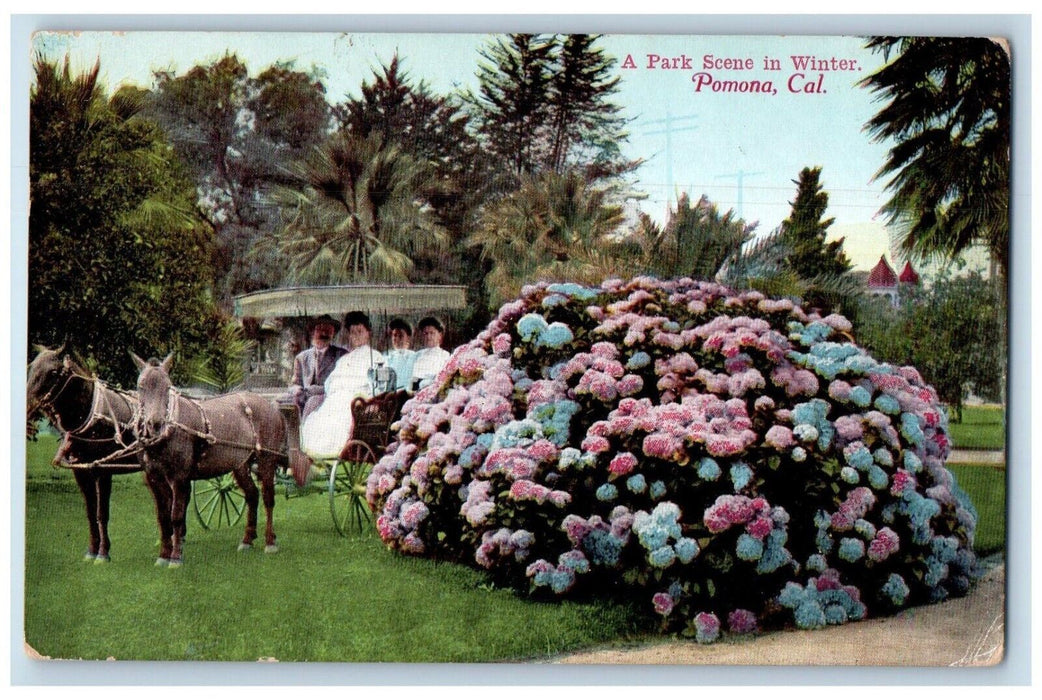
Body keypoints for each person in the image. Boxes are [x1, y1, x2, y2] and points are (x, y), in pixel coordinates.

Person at [300, 311, 386, 458]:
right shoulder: (344, 359)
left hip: (359, 402)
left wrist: (373, 401)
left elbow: (381, 386)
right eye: (353, 332)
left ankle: (334, 450)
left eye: (360, 331)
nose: (356, 335)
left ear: (368, 333)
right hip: (335, 400)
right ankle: (316, 455)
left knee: (340, 420)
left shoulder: (377, 357)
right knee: (318, 420)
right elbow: (330, 383)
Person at [281, 314, 347, 420]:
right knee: (278, 402)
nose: (324, 333)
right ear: (313, 332)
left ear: (333, 334)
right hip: (303, 397)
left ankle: (304, 433)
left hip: (330, 399)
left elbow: (343, 385)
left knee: (313, 401)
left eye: (328, 330)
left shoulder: (342, 355)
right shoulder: (301, 358)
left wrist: (317, 390)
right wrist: (297, 390)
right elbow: (294, 384)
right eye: (320, 329)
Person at [410, 316, 451, 391]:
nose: (428, 337)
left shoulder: (445, 355)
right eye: (426, 333)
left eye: (432, 333)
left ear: (440, 335)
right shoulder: (417, 355)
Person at [384, 317, 416, 391]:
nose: (397, 339)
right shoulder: (386, 357)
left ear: (408, 338)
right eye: (394, 335)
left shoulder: (414, 357)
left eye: (401, 335)